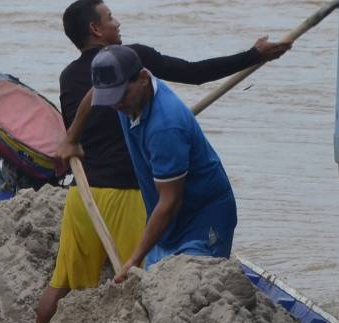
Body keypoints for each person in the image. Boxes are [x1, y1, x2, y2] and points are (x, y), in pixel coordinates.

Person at [32, 0, 290, 323]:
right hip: (128, 196)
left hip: (83, 196)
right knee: (138, 288)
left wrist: (71, 138)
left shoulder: (69, 76)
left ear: (141, 81)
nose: (117, 23)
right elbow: (196, 73)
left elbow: (95, 97)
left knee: (62, 283)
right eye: (111, 17)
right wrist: (253, 56)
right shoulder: (135, 65)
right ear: (96, 29)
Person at [87, 44, 237, 280]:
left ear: (144, 79)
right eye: (109, 97)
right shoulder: (126, 99)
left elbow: (170, 201)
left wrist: (134, 259)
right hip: (168, 222)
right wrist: (72, 137)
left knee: (192, 292)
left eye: (121, 95)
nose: (116, 105)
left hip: (203, 219)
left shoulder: (165, 127)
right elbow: (95, 94)